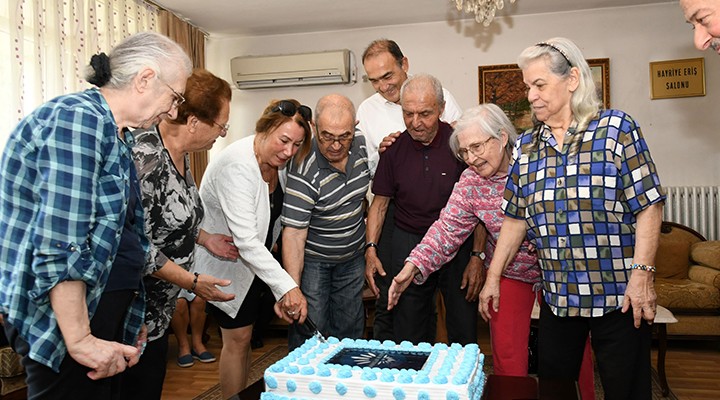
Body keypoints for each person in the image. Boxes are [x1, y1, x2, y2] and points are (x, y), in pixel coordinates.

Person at [0, 31, 192, 400]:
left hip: (99, 312)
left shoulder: (116, 134)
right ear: (145, 79)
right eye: (175, 97)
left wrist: (129, 318)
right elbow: (61, 241)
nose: (173, 111)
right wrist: (80, 338)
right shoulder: (78, 121)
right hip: (65, 322)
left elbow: (123, 238)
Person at [479, 37, 664, 400]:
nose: (531, 95)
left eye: (539, 85)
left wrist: (642, 276)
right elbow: (515, 219)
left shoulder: (616, 130)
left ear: (573, 79)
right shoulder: (527, 148)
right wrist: (493, 277)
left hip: (619, 297)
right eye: (527, 86)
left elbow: (649, 205)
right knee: (555, 390)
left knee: (626, 391)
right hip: (559, 300)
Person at [387, 104, 596, 399]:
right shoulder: (471, 182)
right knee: (508, 354)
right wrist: (413, 266)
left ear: (501, 137)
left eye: (477, 147)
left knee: (570, 355)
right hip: (509, 272)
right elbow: (446, 229)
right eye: (464, 152)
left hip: (560, 271)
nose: (471, 158)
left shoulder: (537, 164)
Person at [120, 68, 238, 399]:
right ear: (194, 122)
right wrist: (192, 282)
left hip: (158, 312)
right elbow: (135, 245)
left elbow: (170, 215)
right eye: (221, 126)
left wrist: (205, 238)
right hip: (131, 313)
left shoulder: (182, 155)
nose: (222, 134)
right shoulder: (146, 160)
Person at [358, 39, 483, 344]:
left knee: (462, 324)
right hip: (407, 236)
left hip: (455, 237)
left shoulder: (458, 143)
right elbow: (379, 202)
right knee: (409, 323)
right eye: (408, 114)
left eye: (424, 114)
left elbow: (479, 203)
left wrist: (477, 255)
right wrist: (371, 248)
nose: (415, 123)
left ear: (440, 110)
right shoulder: (392, 146)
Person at [193, 99, 313, 398]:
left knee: (245, 338)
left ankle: (244, 393)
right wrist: (288, 287)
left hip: (256, 263)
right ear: (265, 128)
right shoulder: (237, 165)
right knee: (236, 340)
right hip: (228, 262)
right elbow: (246, 240)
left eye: (297, 145)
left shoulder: (276, 163)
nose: (289, 152)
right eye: (284, 141)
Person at [281, 94, 371, 350]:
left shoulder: (362, 145)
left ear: (355, 126)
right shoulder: (303, 167)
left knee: (351, 331)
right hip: (314, 263)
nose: (335, 145)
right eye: (327, 136)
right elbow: (294, 234)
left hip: (353, 258)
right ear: (314, 128)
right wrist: (293, 289)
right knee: (312, 333)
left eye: (344, 136)